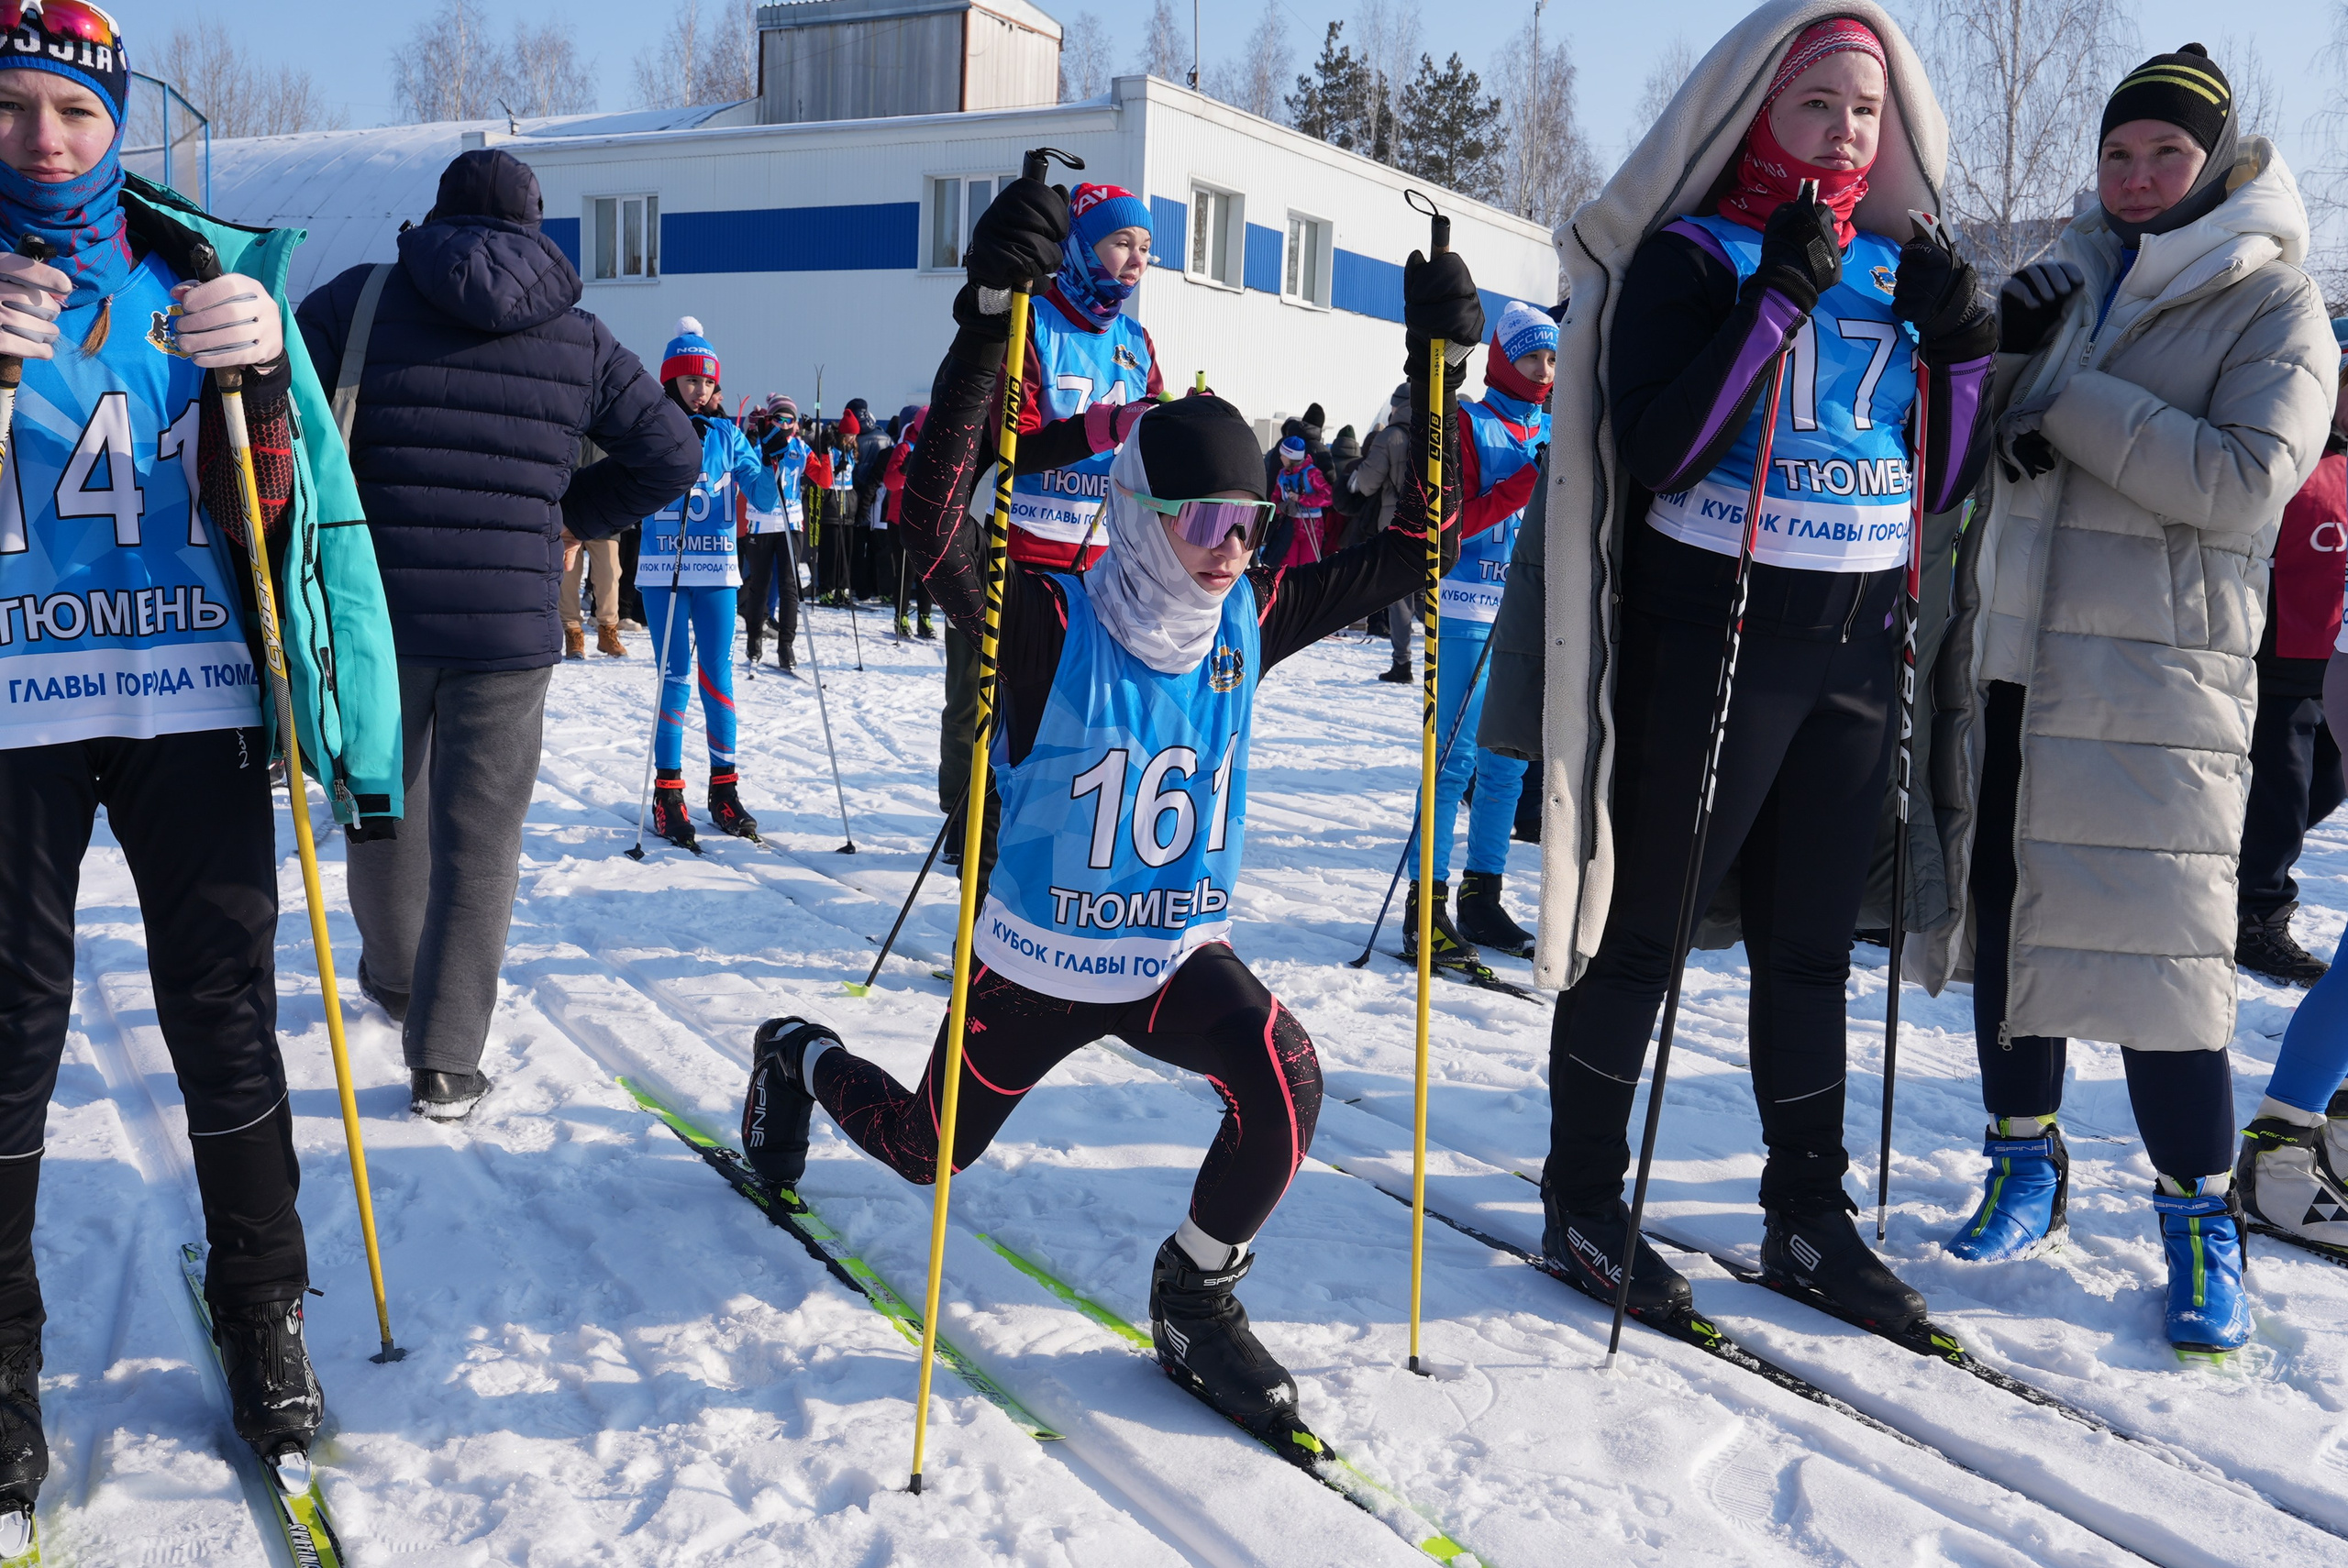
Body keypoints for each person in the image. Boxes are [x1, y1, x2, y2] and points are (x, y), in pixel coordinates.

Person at [733, 168, 1480, 1441]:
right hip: (1035, 960)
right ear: (1138, 510)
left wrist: (1438, 383)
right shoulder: (1046, 620)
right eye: (1202, 518)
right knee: (925, 1149)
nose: (1229, 547)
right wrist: (986, 324)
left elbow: (1424, 547)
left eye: (1247, 523)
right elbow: (927, 526)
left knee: (1288, 1077)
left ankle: (1196, 1286)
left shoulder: (1250, 615)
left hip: (1168, 956)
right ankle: (793, 1055)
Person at [0, 8, 406, 1509]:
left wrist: (261, 405)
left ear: (120, 125)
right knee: (8, 1045)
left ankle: (263, 1318)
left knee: (225, 1018)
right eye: (14, 108)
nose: (44, 139)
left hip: (190, 693)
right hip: (16, 717)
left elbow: (298, 537)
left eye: (72, 111)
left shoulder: (202, 279)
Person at [1533, 10, 1994, 1334]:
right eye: (1817, 105)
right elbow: (1663, 447)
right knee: (1647, 933)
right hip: (1717, 632)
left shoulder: (1897, 265)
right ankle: (1582, 1193)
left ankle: (1810, 1213)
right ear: (1753, 114)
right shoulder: (1693, 254)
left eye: (1867, 109)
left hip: (1855, 643)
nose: (1846, 129)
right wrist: (1778, 297)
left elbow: (1941, 486)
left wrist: (1961, 353)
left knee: (1813, 951)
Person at [1918, 45, 2339, 1356]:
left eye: (2167, 153)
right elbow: (1974, 448)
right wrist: (1995, 358)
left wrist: (2076, 396)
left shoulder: (2276, 303)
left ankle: (2198, 1217)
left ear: (2216, 160)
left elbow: (2245, 477)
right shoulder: (2069, 272)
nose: (2140, 176)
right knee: (2012, 926)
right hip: (2020, 657)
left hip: (2161, 681)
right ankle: (2023, 1161)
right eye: (2119, 155)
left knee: (2164, 965)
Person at [301, 151, 697, 1120]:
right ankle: (445, 1058)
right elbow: (672, 451)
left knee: (384, 807)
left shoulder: (358, 301)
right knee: (482, 842)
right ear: (537, 224)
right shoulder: (580, 335)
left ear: (434, 213)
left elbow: (273, 417)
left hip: (372, 610)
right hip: (510, 625)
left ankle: (395, 980)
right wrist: (574, 514)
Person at [938, 182, 1161, 876]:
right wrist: (1107, 425)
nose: (1135, 260)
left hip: (1099, 571)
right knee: (987, 715)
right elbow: (1014, 445)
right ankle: (975, 835)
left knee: (1077, 725)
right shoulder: (1032, 320)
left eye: (1146, 247)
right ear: (1080, 246)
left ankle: (1056, 849)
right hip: (1013, 554)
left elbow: (1148, 445)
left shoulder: (1136, 339)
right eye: (1121, 242)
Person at [1402, 300, 1555, 967]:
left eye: (1552, 358)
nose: (1544, 371)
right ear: (1502, 358)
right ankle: (1424, 908)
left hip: (1525, 613)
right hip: (1465, 606)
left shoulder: (1554, 426)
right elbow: (1451, 523)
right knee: (1452, 761)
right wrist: (1529, 482)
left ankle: (1482, 899)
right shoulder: (1470, 420)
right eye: (1530, 356)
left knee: (1509, 764)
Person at [639, 318, 784, 849]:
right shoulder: (650, 425)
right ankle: (668, 792)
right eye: (690, 380)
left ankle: (724, 787)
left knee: (717, 678)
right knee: (673, 677)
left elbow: (765, 499)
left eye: (707, 381)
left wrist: (771, 455)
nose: (700, 390)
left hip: (718, 568)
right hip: (664, 570)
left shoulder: (727, 434)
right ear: (671, 380)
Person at [2234, 337, 2348, 986]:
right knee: (2281, 794)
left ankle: (2236, 874)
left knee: (2323, 789)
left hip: (2337, 653)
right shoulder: (2295, 444)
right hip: (2281, 655)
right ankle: (2258, 915)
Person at [1351, 384, 1418, 683]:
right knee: (1433, 594)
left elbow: (1366, 483)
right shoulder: (1435, 431)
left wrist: (1352, 480)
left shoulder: (1390, 436)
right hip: (1437, 525)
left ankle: (1402, 663)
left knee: (1400, 598)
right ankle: (1442, 659)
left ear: (1396, 405)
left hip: (1398, 524)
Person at [739, 393, 806, 671]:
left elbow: (825, 479)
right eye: (778, 418)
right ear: (770, 420)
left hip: (791, 525)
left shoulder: (802, 449)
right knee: (759, 585)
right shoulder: (757, 449)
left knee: (790, 587)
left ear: (795, 424)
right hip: (762, 525)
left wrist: (828, 453)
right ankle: (754, 638)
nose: (783, 423)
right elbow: (750, 482)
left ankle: (786, 646)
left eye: (789, 419)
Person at [559, 522, 625, 658]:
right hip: (566, 517)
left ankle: (608, 632)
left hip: (603, 517)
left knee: (608, 576)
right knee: (567, 577)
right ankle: (573, 633)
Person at [1270, 435, 1334, 564]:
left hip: (1312, 527)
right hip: (1289, 526)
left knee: (1308, 566)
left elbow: (1328, 497)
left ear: (1290, 457)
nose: (1280, 457)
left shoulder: (1312, 473)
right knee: (1288, 566)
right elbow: (1275, 497)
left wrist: (1301, 498)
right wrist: (1280, 507)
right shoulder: (1282, 474)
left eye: (1283, 455)